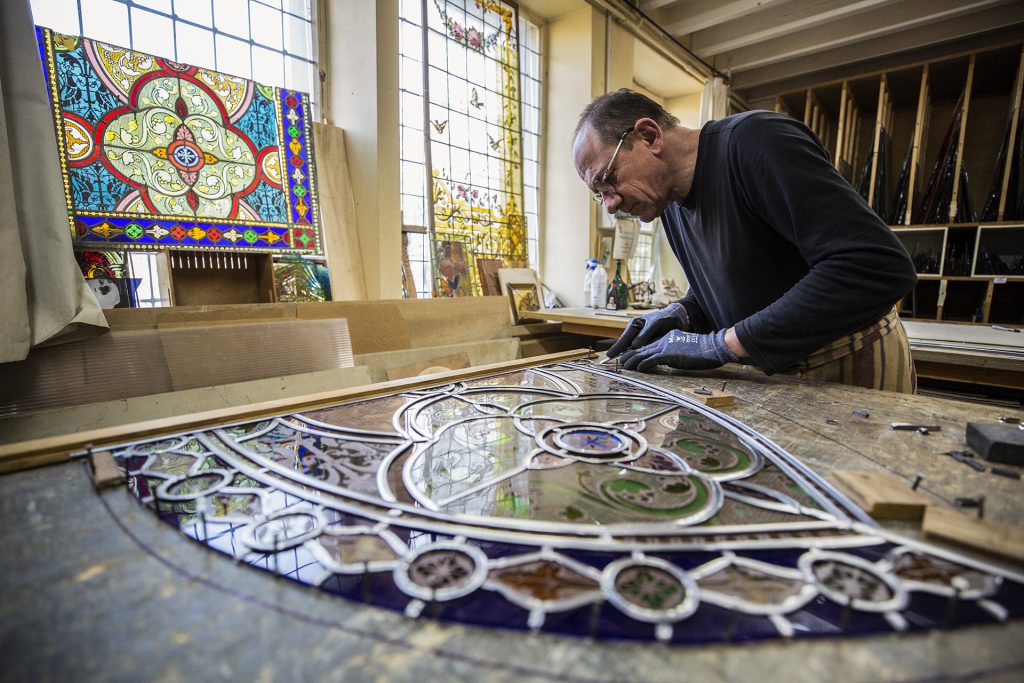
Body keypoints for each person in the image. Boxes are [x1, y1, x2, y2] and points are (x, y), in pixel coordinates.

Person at [573, 89, 918, 393]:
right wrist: (684, 312)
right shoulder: (669, 203)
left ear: (650, 136)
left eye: (608, 180)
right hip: (778, 369)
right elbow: (740, 277)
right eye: (598, 195)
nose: (611, 206)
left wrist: (722, 345)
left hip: (847, 358)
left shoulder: (756, 141)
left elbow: (876, 266)